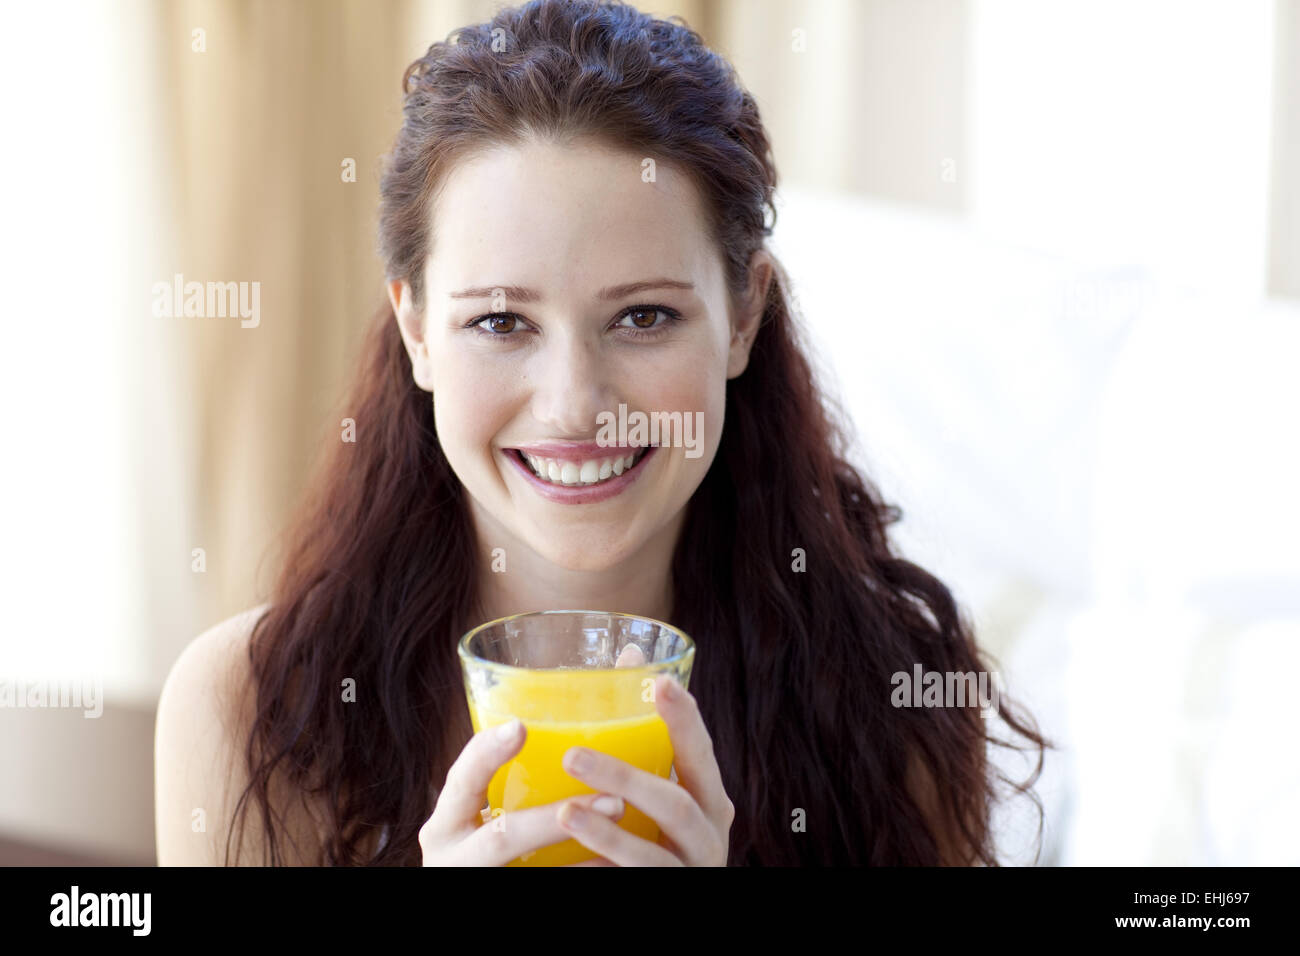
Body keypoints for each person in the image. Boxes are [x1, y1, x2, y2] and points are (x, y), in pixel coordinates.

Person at [155, 0, 1049, 867]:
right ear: (417, 329)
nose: (576, 406)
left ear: (743, 318)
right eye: (502, 323)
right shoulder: (243, 713)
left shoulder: (896, 708)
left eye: (644, 317)